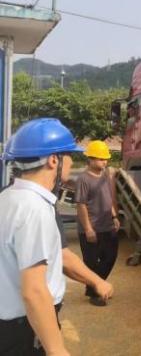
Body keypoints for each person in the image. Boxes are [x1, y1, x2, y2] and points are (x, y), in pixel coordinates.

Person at [0, 118, 84, 355]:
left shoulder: (7, 198)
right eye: (69, 155)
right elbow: (34, 291)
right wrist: (57, 349)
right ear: (53, 160)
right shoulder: (34, 209)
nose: (71, 162)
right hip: (25, 329)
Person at [74, 140, 119, 307]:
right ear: (90, 159)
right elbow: (81, 205)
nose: (104, 162)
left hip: (107, 226)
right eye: (101, 159)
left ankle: (95, 287)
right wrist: (88, 229)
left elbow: (108, 199)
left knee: (110, 257)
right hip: (91, 228)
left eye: (105, 159)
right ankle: (95, 292)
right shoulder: (83, 179)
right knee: (91, 263)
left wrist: (114, 217)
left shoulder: (105, 176)